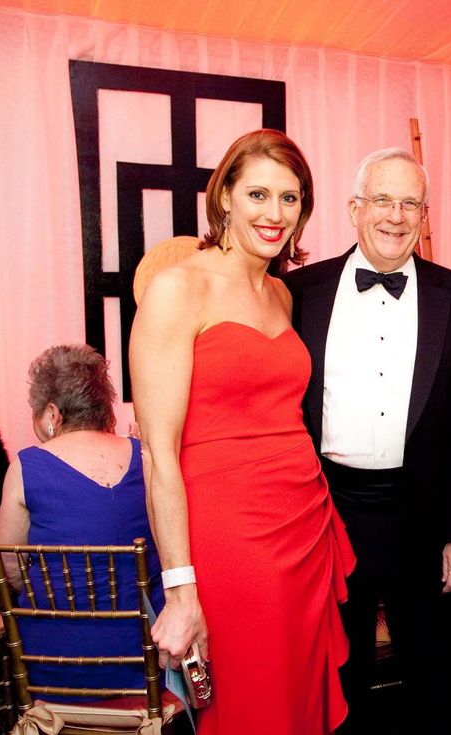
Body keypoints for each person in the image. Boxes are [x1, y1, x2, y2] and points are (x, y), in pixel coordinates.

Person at [130, 129, 355, 734]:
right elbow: (158, 453)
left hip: (305, 524)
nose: (275, 213)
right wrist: (180, 589)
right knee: (251, 705)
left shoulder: (280, 292)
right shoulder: (179, 288)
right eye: (258, 193)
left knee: (297, 702)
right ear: (224, 195)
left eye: (290, 198)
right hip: (231, 535)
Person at [284, 148, 451, 735]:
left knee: (431, 668)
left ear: (425, 215)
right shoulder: (300, 291)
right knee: (336, 668)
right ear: (354, 208)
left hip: (421, 511)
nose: (396, 215)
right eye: (382, 199)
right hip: (327, 509)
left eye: (410, 203)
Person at [0, 344, 163, 695]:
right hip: (146, 663)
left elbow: (11, 570)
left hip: (52, 665)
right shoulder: (147, 459)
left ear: (53, 414)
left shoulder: (26, 467)